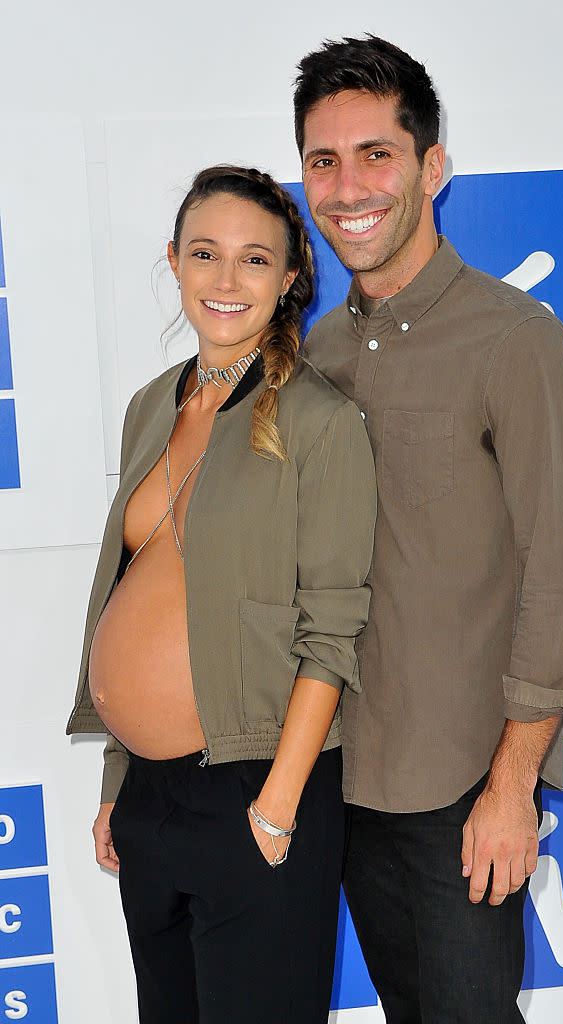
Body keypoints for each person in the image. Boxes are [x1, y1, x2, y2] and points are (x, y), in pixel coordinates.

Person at [294, 35, 563, 1023]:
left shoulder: (515, 342)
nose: (349, 186)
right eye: (324, 159)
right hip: (347, 776)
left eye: (376, 154)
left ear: (433, 166)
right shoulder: (321, 347)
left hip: (463, 789)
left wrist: (512, 787)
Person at [66, 164, 377, 1024]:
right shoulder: (147, 407)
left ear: (288, 279)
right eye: (206, 254)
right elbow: (128, 591)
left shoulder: (319, 420)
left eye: (254, 260)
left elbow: (332, 628)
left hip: (257, 793)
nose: (226, 280)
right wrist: (116, 780)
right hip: (149, 803)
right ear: (174, 262)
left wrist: (275, 809)